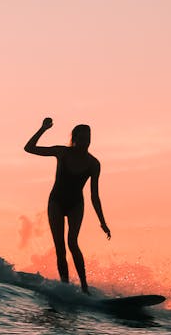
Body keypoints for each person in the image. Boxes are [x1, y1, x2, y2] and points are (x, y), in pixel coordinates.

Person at [24, 118, 111, 293]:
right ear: (75, 138)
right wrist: (43, 129)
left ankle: (85, 288)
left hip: (76, 205)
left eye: (89, 137)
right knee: (60, 247)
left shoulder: (94, 164)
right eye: (83, 136)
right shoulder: (62, 152)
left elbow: (95, 195)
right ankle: (66, 287)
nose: (86, 140)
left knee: (73, 242)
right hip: (56, 201)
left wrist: (102, 222)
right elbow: (29, 148)